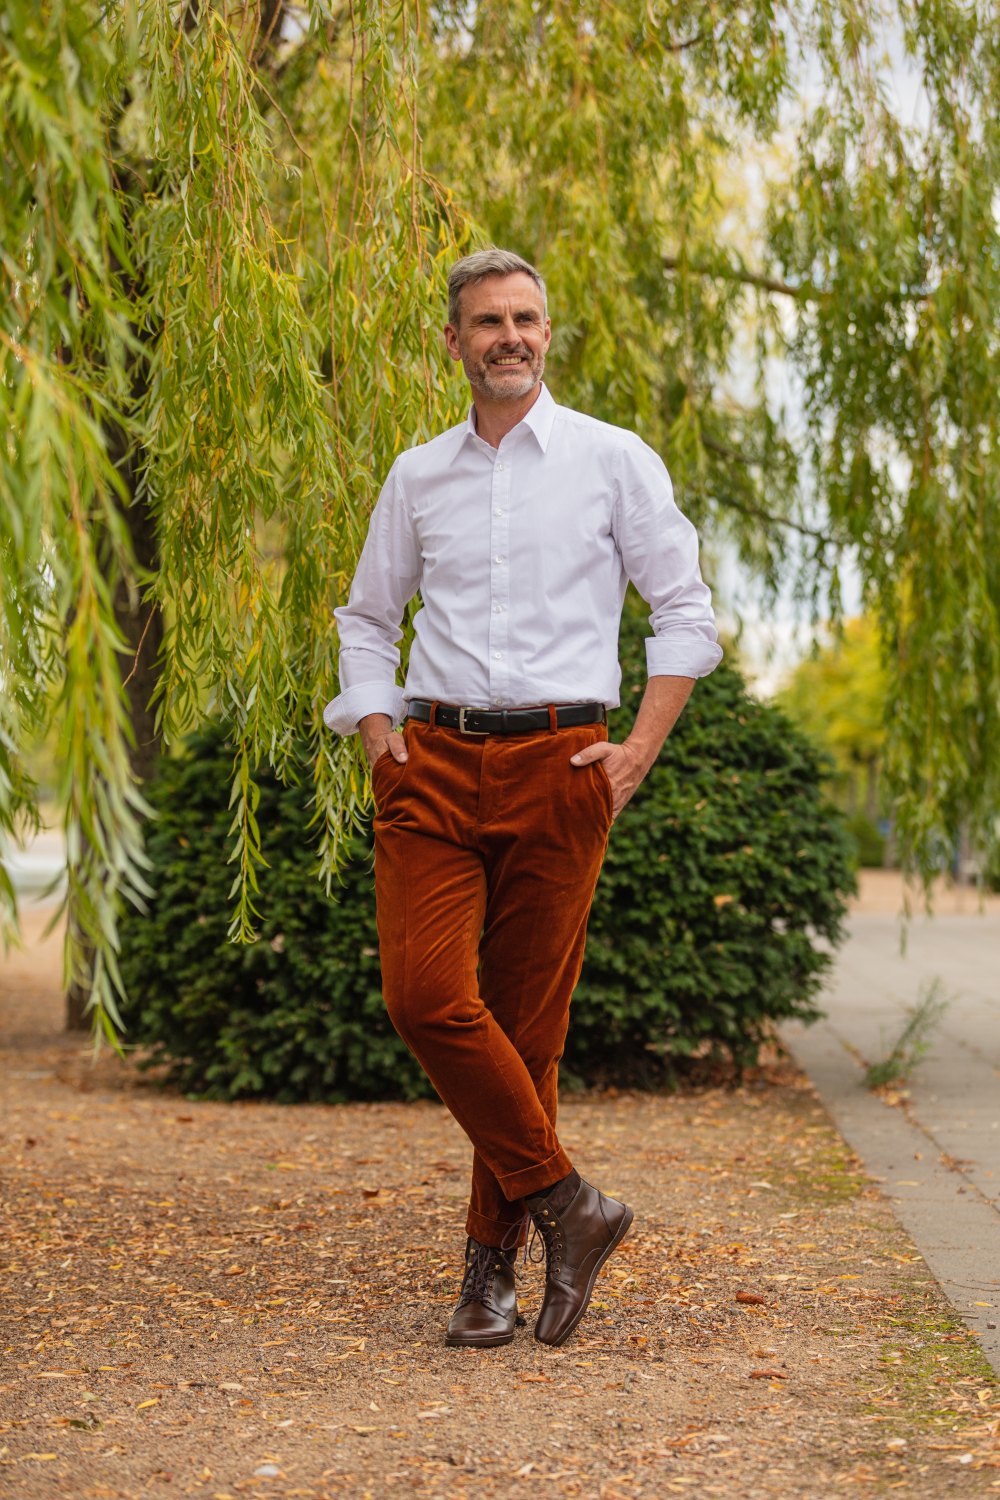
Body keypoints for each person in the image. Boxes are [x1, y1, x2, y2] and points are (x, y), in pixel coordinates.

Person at [324, 248, 722, 1349]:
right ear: (451, 341)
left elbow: (684, 613)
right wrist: (375, 728)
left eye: (527, 318)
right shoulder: (417, 475)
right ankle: (571, 1205)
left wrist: (637, 749)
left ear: (548, 332)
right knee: (423, 996)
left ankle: (484, 1279)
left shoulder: (611, 462)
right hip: (433, 768)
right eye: (488, 320)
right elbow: (368, 616)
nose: (510, 335)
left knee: (529, 1029)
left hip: (562, 766)